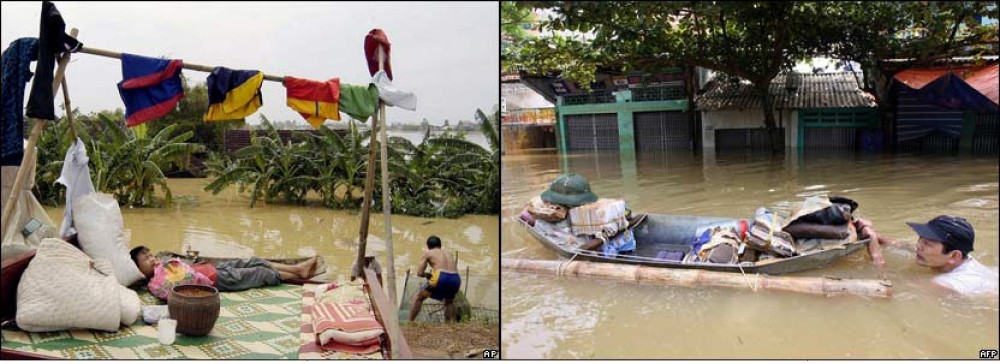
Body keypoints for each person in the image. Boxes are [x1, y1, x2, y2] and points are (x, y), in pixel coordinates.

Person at [856, 215, 999, 296]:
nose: (918, 246)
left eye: (928, 243)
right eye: (920, 239)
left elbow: (887, 287)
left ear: (954, 256)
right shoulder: (953, 257)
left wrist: (875, 253)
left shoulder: (948, 283)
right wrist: (867, 231)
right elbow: (899, 244)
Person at [130, 245, 319, 300]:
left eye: (151, 254)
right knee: (260, 273)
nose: (152, 258)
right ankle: (299, 272)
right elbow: (178, 287)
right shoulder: (155, 283)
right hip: (218, 279)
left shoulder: (162, 266)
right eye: (146, 259)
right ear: (138, 269)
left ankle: (297, 269)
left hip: (214, 268)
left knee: (253, 261)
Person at [408, 236, 461, 322]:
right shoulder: (449, 253)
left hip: (441, 276)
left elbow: (419, 273)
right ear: (440, 245)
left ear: (428, 246)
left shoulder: (428, 253)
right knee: (449, 301)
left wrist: (427, 275)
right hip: (455, 278)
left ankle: (410, 322)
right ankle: (448, 324)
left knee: (419, 297)